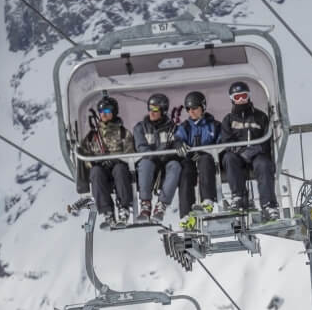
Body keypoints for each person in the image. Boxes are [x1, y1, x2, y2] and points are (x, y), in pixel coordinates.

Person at [221, 81, 280, 221]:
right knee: (229, 158)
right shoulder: (228, 120)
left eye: (243, 96)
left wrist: (254, 150)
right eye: (237, 97)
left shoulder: (260, 117)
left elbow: (267, 140)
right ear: (232, 99)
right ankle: (239, 197)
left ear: (249, 96)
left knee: (264, 164)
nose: (241, 100)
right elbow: (226, 141)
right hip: (238, 155)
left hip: (257, 154)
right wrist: (239, 150)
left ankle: (269, 205)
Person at [78, 95, 133, 228]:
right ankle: (107, 211)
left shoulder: (123, 133)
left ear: (113, 113)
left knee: (119, 169)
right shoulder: (92, 136)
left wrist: (115, 160)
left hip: (119, 169)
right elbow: (85, 156)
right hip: (102, 172)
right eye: (101, 112)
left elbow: (130, 153)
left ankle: (124, 208)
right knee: (96, 172)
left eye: (107, 111)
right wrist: (95, 163)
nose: (104, 114)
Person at [132, 93, 182, 222]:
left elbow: (178, 141)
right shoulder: (140, 128)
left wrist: (179, 145)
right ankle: (145, 204)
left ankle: (161, 206)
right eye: (149, 108)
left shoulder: (172, 127)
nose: (151, 112)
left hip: (166, 162)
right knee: (145, 163)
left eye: (155, 110)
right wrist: (162, 151)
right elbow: (142, 148)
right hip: (150, 162)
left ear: (163, 110)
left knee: (175, 166)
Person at [175, 91, 221, 228]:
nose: (191, 112)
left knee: (205, 161)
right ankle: (186, 214)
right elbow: (178, 138)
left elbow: (221, 142)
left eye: (194, 108)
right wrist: (177, 143)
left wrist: (213, 151)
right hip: (191, 159)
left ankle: (207, 201)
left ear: (203, 107)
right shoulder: (185, 127)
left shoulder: (214, 125)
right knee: (185, 173)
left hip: (208, 158)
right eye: (188, 109)